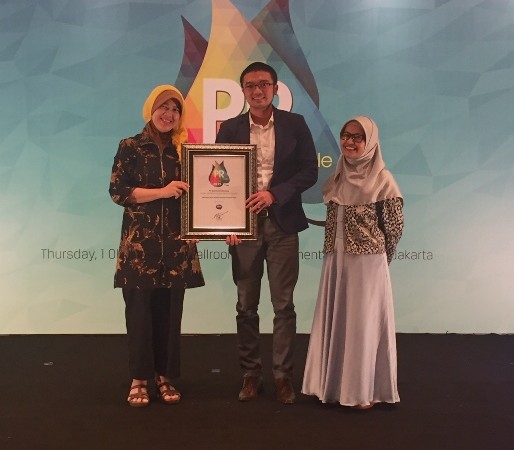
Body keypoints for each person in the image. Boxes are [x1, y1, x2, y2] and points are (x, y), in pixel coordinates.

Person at [215, 62, 318, 404]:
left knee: (283, 305)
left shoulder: (295, 124)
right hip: (243, 228)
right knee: (246, 305)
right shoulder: (229, 128)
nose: (257, 90)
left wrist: (275, 194)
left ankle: (283, 377)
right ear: (243, 91)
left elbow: (309, 171)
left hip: (283, 224)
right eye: (250, 85)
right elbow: (217, 180)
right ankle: (251, 375)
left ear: (275, 88)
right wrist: (227, 222)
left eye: (263, 84)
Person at [109, 85, 205, 407]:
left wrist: (198, 225)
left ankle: (165, 376)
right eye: (164, 106)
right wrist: (163, 191)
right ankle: (139, 378)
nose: (169, 114)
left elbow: (198, 197)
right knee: (139, 315)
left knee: (169, 315)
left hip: (176, 248)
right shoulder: (131, 146)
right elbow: (119, 192)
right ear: (151, 108)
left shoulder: (185, 151)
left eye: (176, 109)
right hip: (140, 249)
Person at [302, 115, 403, 409]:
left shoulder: (383, 180)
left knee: (362, 325)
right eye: (346, 135)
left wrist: (381, 260)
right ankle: (333, 386)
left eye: (358, 137)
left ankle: (361, 391)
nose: (349, 141)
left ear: (370, 142)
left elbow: (394, 227)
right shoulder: (338, 176)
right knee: (338, 319)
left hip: (367, 264)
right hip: (336, 261)